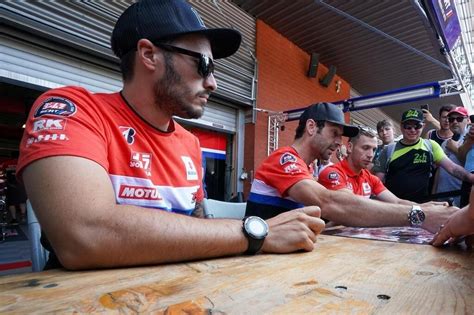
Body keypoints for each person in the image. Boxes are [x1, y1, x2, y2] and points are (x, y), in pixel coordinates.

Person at [17, 0, 325, 270]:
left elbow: (199, 227)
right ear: (149, 55)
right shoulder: (75, 110)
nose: (213, 83)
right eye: (203, 64)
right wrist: (256, 232)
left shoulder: (189, 142)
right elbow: (83, 235)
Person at [245, 102, 456, 231]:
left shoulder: (306, 168)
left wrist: (421, 208)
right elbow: (331, 203)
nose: (339, 143)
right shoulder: (284, 159)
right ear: (311, 127)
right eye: (334, 133)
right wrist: (419, 215)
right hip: (259, 260)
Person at [373, 108, 474, 203]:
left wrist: (471, 177)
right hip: (393, 206)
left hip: (421, 207)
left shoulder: (430, 146)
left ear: (423, 126)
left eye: (417, 126)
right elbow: (378, 184)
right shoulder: (388, 150)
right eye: (408, 126)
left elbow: (452, 168)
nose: (412, 130)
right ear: (401, 126)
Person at [319, 126, 418, 204]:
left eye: (374, 149)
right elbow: (355, 206)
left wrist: (423, 208)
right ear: (349, 147)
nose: (371, 155)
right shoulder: (332, 174)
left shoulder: (370, 178)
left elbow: (397, 202)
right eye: (365, 148)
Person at [432, 107, 470, 206]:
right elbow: (440, 170)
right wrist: (434, 194)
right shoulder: (445, 143)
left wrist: (455, 149)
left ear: (468, 120)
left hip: (460, 196)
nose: (455, 122)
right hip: (441, 195)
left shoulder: (471, 141)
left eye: (459, 119)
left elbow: (471, 166)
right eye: (451, 119)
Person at [0, 152, 27, 225]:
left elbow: (1, 174)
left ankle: (14, 219)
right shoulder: (22, 162)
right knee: (22, 201)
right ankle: (23, 217)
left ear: (11, 156)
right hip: (21, 185)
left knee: (12, 203)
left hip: (11, 186)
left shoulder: (6, 163)